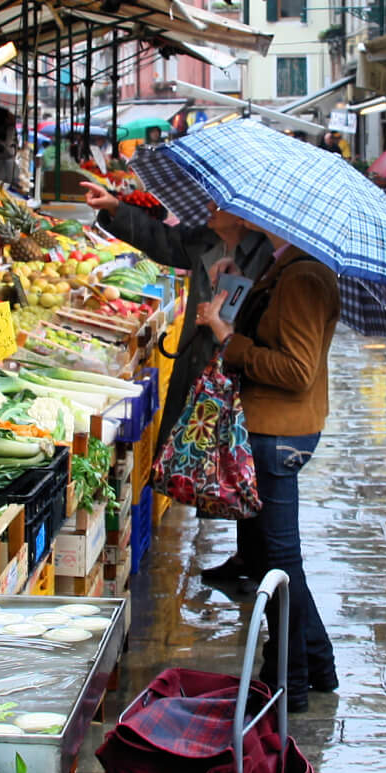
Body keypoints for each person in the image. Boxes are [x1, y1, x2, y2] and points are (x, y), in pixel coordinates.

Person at [82, 182, 272, 590]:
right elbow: (162, 240)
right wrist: (116, 207)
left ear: (240, 214)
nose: (208, 207)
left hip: (244, 370)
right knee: (228, 457)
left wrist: (222, 322)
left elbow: (266, 322)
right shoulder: (205, 239)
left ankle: (259, 560)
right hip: (205, 367)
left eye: (217, 203)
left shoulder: (267, 256)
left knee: (247, 461)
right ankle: (247, 554)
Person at [195, 226, 341, 712]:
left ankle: (289, 684)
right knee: (269, 557)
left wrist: (227, 340)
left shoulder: (304, 277)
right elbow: (272, 327)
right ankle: (317, 664)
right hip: (273, 429)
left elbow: (296, 370)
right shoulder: (290, 266)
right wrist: (240, 286)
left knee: (279, 562)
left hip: (279, 434)